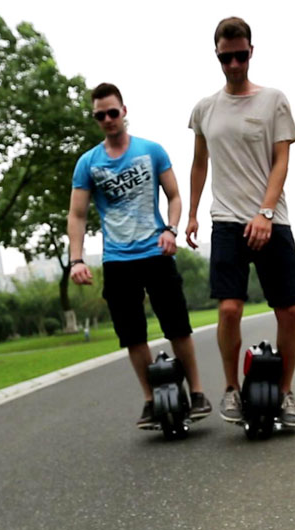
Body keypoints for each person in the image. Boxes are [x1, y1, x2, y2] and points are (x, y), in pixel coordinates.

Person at [68, 82, 211, 429]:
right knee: (132, 335)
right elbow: (77, 214)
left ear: (124, 111)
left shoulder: (151, 150)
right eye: (100, 115)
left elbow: (174, 196)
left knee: (178, 326)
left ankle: (197, 392)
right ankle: (150, 399)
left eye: (112, 112)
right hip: (117, 261)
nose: (107, 119)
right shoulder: (88, 163)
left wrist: (171, 230)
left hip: (156, 252)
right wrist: (76, 259)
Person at [186, 17, 295, 427]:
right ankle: (231, 389)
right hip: (226, 221)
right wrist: (192, 214)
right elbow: (199, 164)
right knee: (229, 309)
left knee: (290, 310)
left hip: (272, 220)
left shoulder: (274, 100)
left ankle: (285, 392)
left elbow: (282, 160)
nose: (234, 64)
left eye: (240, 55)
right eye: (226, 57)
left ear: (251, 52)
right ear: (216, 55)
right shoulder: (205, 109)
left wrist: (266, 212)